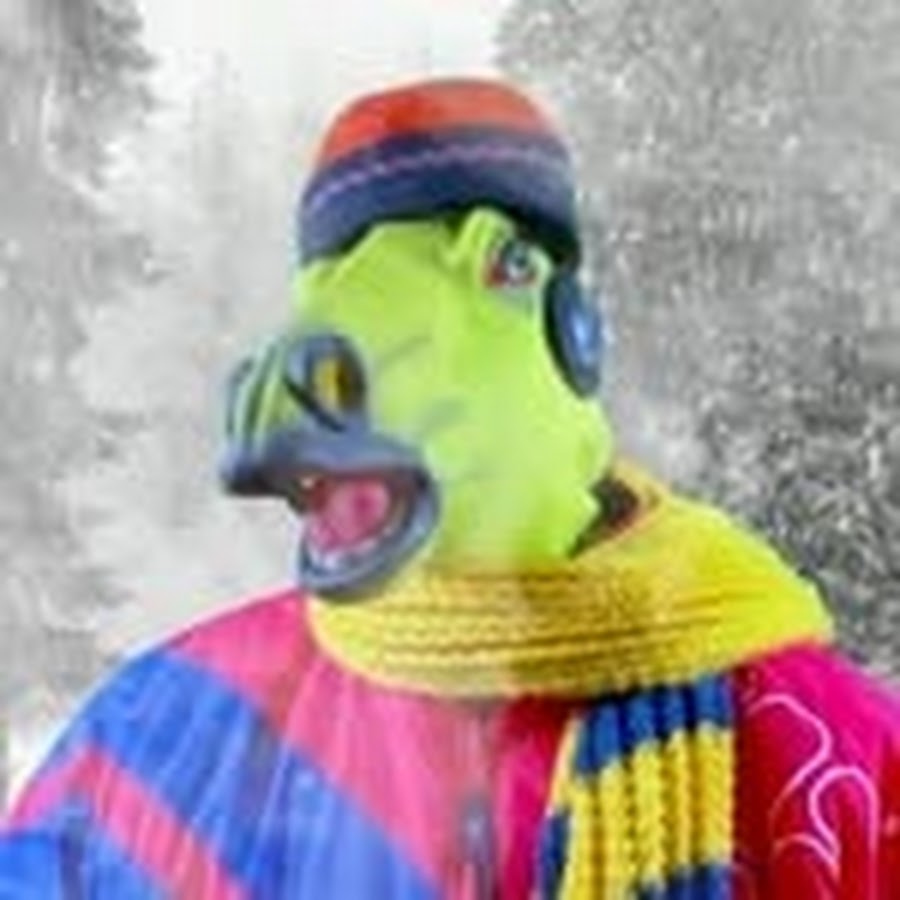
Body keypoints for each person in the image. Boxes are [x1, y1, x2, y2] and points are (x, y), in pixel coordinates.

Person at [2, 77, 899, 899]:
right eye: (334, 279)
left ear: (574, 336)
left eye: (498, 269)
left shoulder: (818, 750)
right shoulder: (163, 741)